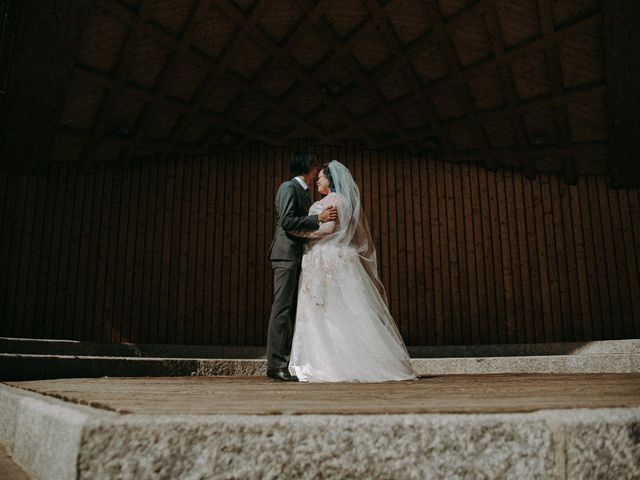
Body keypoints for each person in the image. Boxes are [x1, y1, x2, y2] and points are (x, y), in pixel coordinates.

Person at [288, 160, 417, 382]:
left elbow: (328, 229)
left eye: (320, 177)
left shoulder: (332, 201)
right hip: (341, 258)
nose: (317, 181)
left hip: (326, 257)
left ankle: (324, 363)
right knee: (342, 309)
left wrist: (302, 234)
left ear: (330, 179)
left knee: (324, 310)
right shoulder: (345, 201)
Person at [266, 152, 338, 381]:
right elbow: (287, 221)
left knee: (292, 311)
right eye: (315, 166)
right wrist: (318, 218)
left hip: (299, 256)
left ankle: (288, 363)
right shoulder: (288, 187)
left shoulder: (305, 193)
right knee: (282, 309)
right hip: (286, 255)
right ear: (308, 167)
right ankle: (275, 364)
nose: (317, 170)